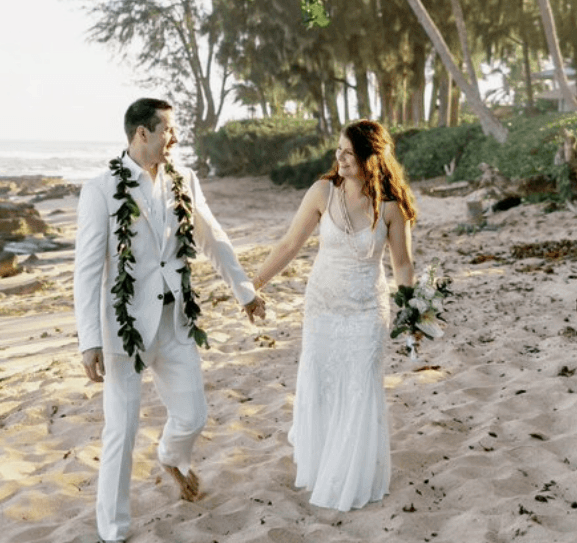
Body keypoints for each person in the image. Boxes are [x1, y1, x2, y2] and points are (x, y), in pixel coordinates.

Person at [74, 98, 266, 543]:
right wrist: (89, 339)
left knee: (194, 415)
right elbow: (85, 271)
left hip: (175, 321)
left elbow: (213, 238)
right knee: (120, 429)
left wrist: (245, 292)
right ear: (143, 134)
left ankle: (169, 455)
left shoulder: (185, 180)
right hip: (124, 330)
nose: (175, 138)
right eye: (168, 130)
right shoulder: (100, 189)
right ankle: (114, 531)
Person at [253, 119, 415, 512]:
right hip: (323, 306)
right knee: (322, 384)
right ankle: (324, 463)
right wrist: (252, 284)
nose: (338, 158)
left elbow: (403, 265)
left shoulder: (392, 207)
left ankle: (353, 474)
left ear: (370, 158)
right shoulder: (323, 192)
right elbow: (291, 244)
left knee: (360, 387)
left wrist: (412, 313)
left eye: (347, 152)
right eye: (338, 150)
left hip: (366, 311)